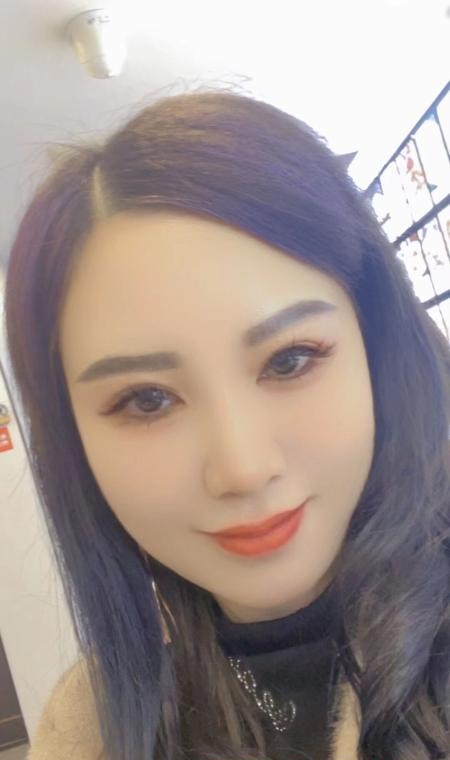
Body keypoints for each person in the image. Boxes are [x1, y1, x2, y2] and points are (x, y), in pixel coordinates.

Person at [4, 86, 450, 760]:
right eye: (147, 400)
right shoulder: (89, 731)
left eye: (290, 360)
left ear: (377, 348)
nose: (242, 468)